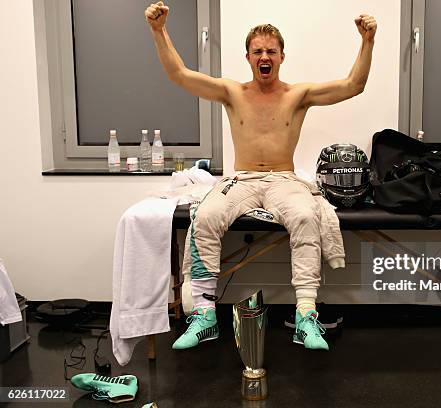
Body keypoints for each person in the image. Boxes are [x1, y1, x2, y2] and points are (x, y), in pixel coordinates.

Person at [145, 1, 376, 351]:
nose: (264, 56)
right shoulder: (232, 93)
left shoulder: (298, 95)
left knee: (304, 216)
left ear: (282, 56)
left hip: (284, 179)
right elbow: (179, 75)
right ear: (248, 57)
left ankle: (305, 316)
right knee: (205, 216)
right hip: (243, 180)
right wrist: (159, 30)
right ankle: (205, 315)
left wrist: (367, 40)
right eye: (257, 51)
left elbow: (353, 85)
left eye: (271, 50)